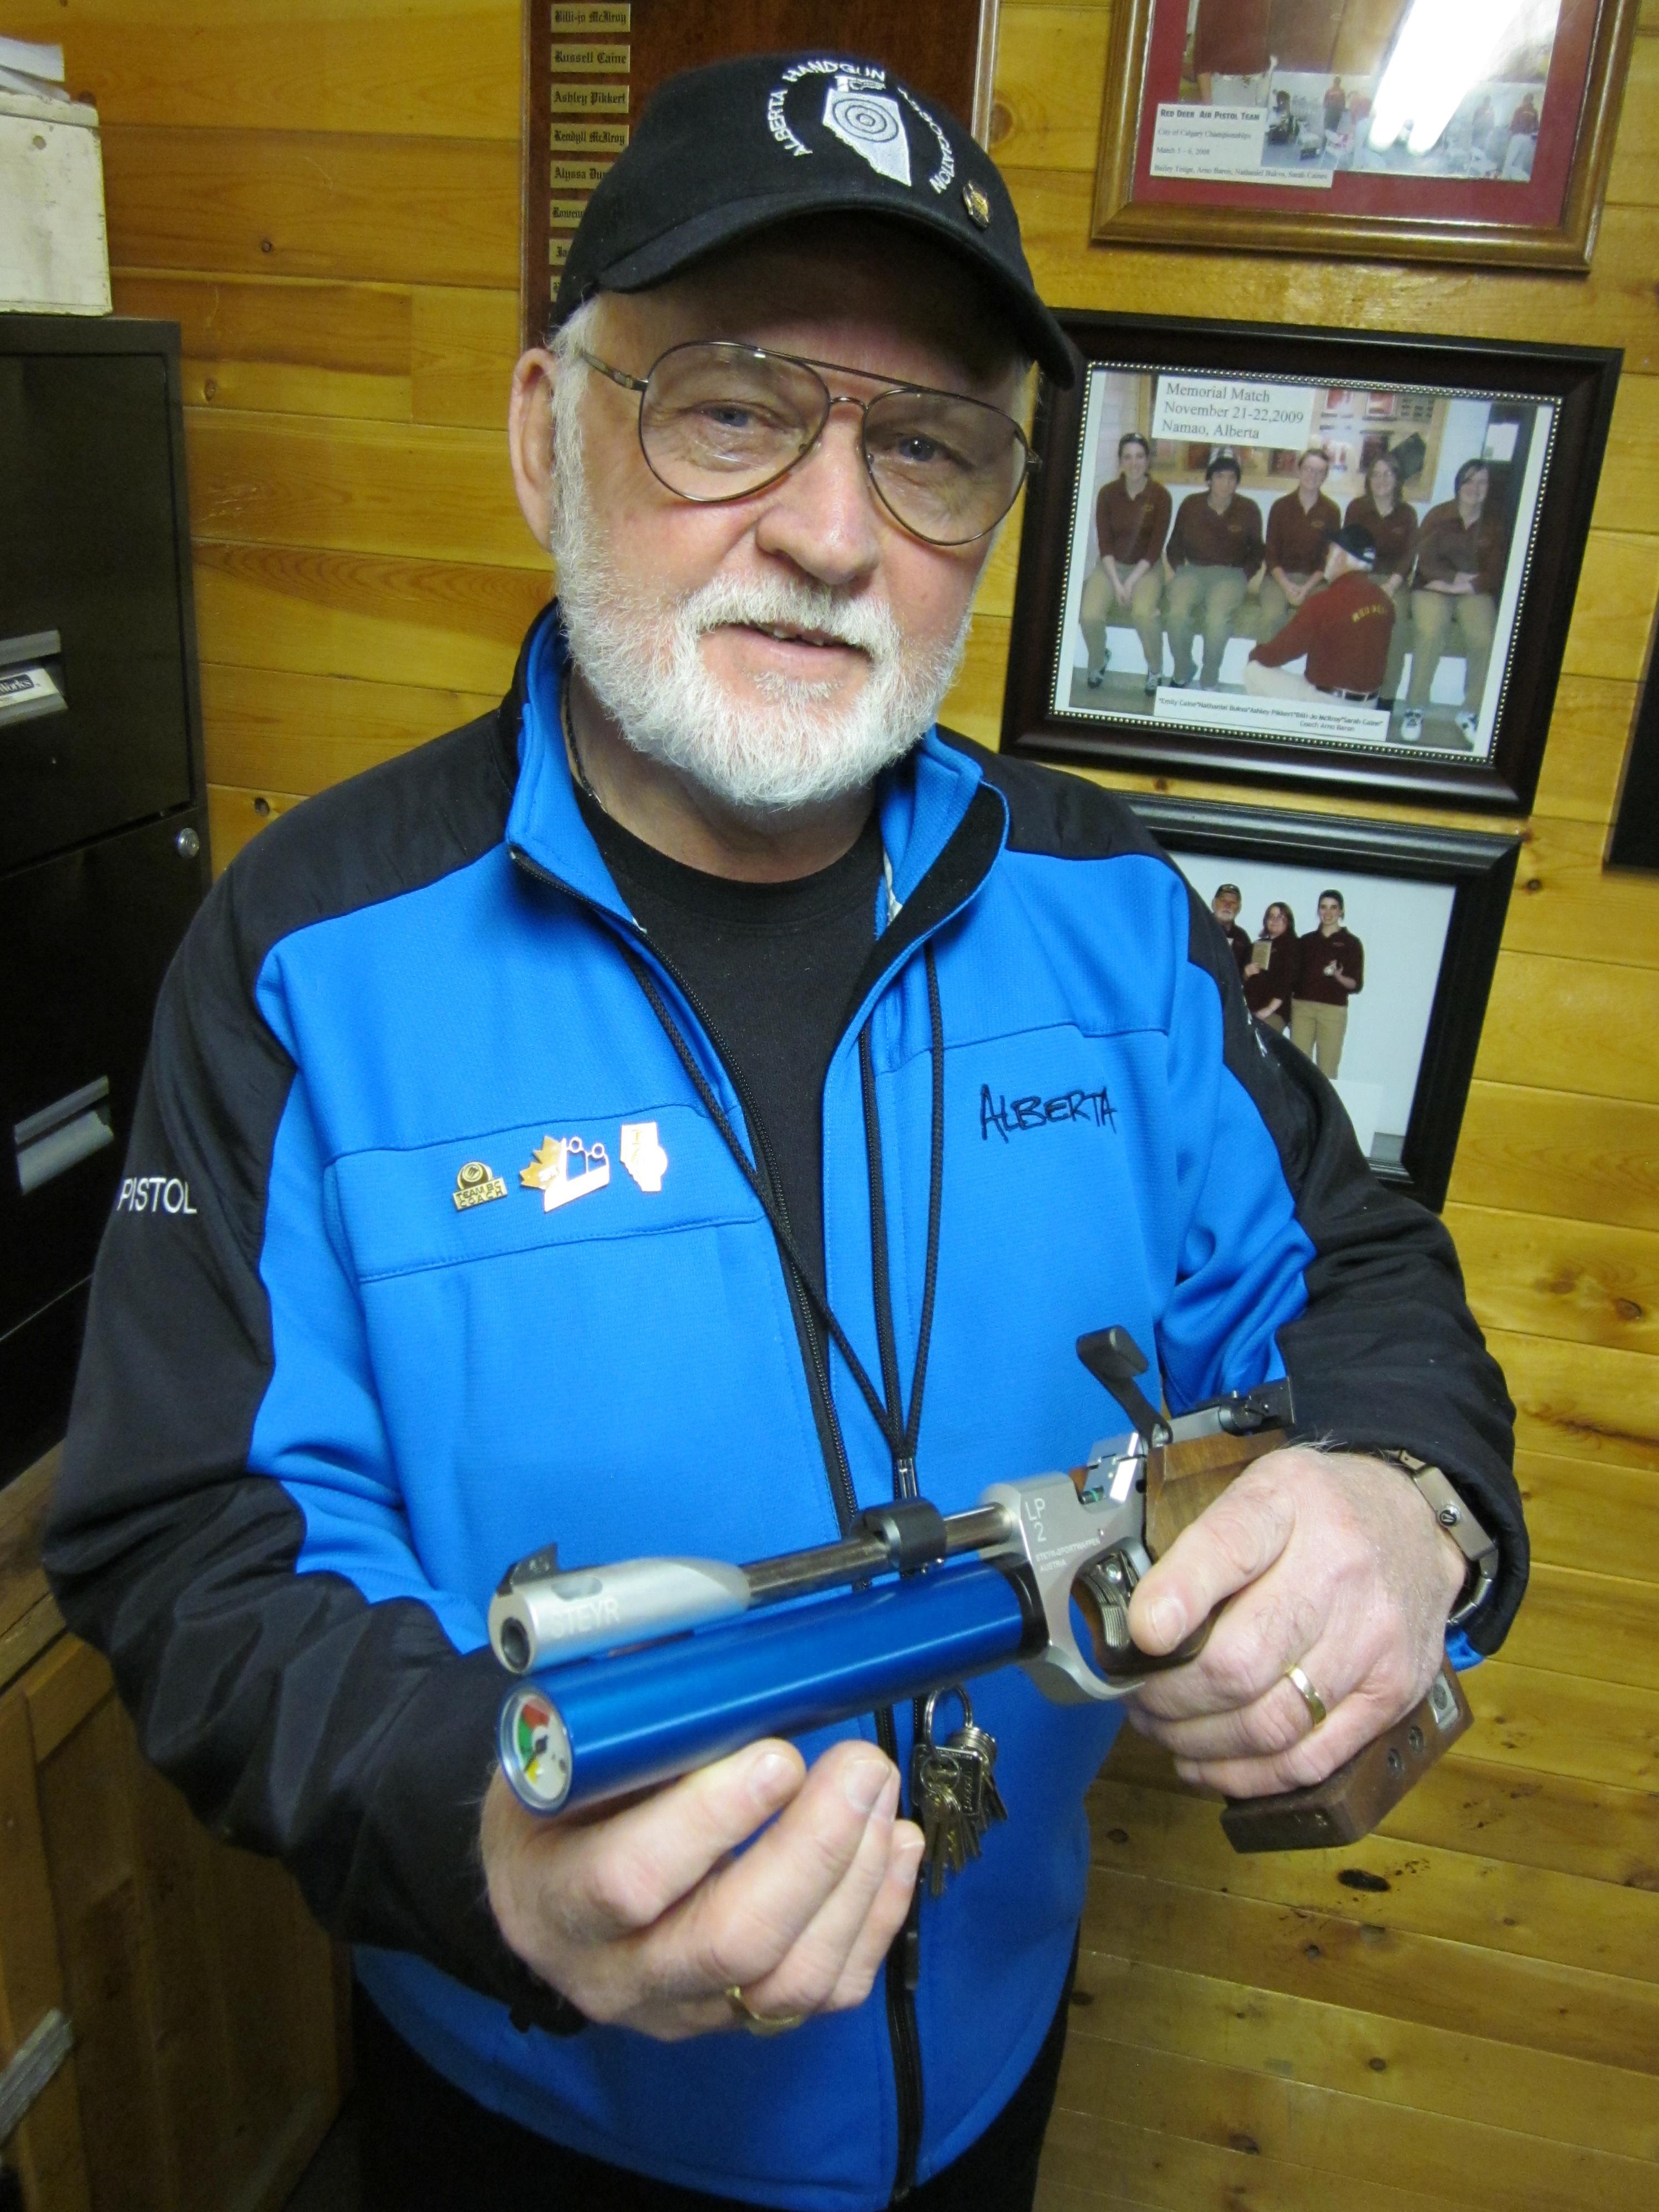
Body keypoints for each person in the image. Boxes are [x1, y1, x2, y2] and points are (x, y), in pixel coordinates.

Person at [43, 49, 1523, 2212]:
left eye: (926, 449)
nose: (832, 534)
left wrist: (1415, 1509)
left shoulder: (1109, 905)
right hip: (524, 2110)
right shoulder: (308, 952)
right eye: (733, 405)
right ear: (550, 429)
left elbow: (1365, 1273)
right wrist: (484, 1824)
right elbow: (187, 1541)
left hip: (991, 2086)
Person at [1402, 458, 1508, 745]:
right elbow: (1424, 561)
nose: (1475, 488)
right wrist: (1454, 579)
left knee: (1485, 638)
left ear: (1489, 488)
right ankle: (1415, 708)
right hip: (1432, 587)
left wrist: (1466, 585)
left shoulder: (1496, 522)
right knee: (1430, 633)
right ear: (1459, 484)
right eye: (1469, 480)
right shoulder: (1439, 515)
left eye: (1482, 482)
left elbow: (1496, 570)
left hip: (1473, 591)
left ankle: (1470, 711)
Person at [1242, 524, 1395, 705]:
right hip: (1369, 705)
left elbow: (1280, 652)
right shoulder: (1384, 602)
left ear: (1341, 558)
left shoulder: (1325, 601)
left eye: (1330, 553)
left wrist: (1255, 655)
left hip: (1328, 703)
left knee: (1253, 671)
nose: (1327, 558)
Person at [1078, 432, 1171, 696]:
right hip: (1110, 566)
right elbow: (1105, 542)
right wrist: (1117, 582)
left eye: (1140, 456)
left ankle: (1155, 669)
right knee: (1089, 615)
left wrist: (1129, 583)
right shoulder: (1108, 494)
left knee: (1144, 613)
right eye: (1127, 457)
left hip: (1147, 569)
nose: (1134, 463)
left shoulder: (1161, 496)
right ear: (1120, 461)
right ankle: (1099, 660)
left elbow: (1155, 547)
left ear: (1148, 460)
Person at [1163, 451, 1265, 688]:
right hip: (1193, 570)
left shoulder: (1249, 509)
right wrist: (1179, 570)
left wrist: (1244, 574)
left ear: (1237, 482)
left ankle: (1210, 676)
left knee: (1217, 620)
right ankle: (1184, 668)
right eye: (1220, 476)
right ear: (1209, 480)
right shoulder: (1191, 504)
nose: (1226, 483)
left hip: (1230, 574)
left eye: (1232, 478)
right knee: (1176, 615)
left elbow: (1258, 551)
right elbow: (1174, 543)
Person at [1345, 450, 1417, 702]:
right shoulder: (1356, 508)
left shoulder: (1407, 514)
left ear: (1397, 479)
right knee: (1355, 621)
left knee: (1396, 627)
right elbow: (1348, 551)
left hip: (1394, 582)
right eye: (1376, 474)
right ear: (1368, 480)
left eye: (1388, 474)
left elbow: (1410, 555)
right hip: (1362, 579)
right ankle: (1352, 692)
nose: (1381, 480)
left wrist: (1392, 583)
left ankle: (1386, 699)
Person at [1257, 448, 1341, 644]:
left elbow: (1328, 559)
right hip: (1278, 579)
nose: (1313, 475)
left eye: (1320, 471)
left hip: (1315, 582)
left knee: (1325, 621)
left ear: (1325, 477)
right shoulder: (1280, 507)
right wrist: (1287, 586)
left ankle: (1314, 675)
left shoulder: (1332, 511)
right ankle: (1261, 672)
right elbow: (1271, 553)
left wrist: (1306, 588)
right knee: (1271, 618)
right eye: (1309, 469)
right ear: (1299, 471)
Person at [1291, 890, 1364, 1074]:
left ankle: (1324, 1103)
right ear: (1318, 911)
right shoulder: (1306, 941)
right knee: (1298, 1067)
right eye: (1323, 907)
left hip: (1333, 1011)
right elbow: (1292, 976)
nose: (1328, 913)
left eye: (1334, 908)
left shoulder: (1352, 943)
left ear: (1341, 911)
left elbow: (1355, 985)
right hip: (1302, 1008)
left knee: (1328, 1069)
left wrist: (1338, 976)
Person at [1243, 901, 1299, 1031]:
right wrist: (1246, 974)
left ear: (1288, 921)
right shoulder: (1257, 945)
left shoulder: (1293, 946)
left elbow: (1287, 983)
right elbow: (1243, 980)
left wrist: (1268, 1010)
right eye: (1271, 916)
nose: (1275, 920)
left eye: (1280, 917)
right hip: (1252, 1009)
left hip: (1274, 1012)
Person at [1210, 881, 1252, 974]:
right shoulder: (1200, 929)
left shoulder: (1242, 937)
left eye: (1233, 902)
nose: (1227, 905)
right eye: (1223, 901)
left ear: (1239, 908)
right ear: (1214, 903)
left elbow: (1246, 974)